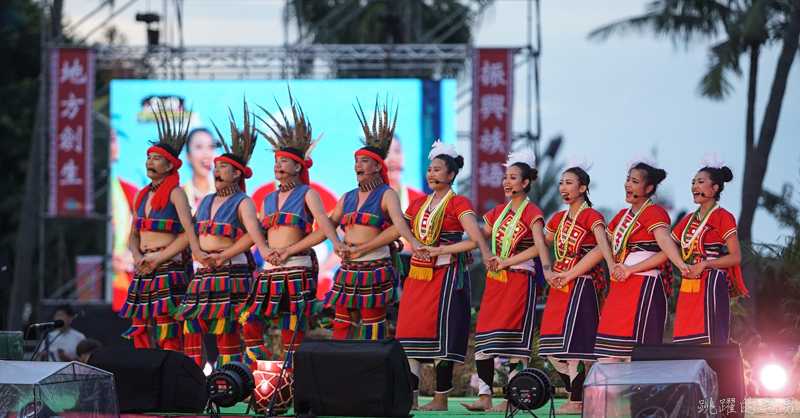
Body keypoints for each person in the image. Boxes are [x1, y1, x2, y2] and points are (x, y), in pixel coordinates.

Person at [277, 98, 425, 340]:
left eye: (364, 161)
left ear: (378, 167)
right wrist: (290, 250)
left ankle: (373, 370)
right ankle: (342, 369)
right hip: (349, 266)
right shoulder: (347, 197)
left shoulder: (387, 194)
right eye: (356, 161)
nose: (358, 165)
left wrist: (412, 242)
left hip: (374, 264)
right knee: (341, 320)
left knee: (372, 321)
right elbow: (325, 228)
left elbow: (400, 225)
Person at [239, 93, 344, 368]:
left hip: (296, 266)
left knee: (291, 332)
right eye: (276, 161)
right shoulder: (267, 198)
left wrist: (336, 246)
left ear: (298, 166)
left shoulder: (308, 193)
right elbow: (257, 234)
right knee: (249, 324)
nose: (278, 165)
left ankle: (290, 382)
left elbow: (325, 226)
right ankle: (264, 373)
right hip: (270, 270)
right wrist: (264, 251)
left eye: (284, 161)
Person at [389, 141, 493, 410]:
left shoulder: (459, 202)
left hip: (447, 275)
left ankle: (440, 398)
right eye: (429, 169)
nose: (431, 174)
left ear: (451, 175)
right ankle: (410, 397)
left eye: (438, 170)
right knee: (409, 337)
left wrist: (480, 252)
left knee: (442, 338)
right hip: (417, 276)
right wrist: (364, 246)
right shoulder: (418, 203)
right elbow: (399, 229)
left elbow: (475, 237)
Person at [564, 153, 690, 361]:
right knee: (606, 351)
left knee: (637, 353)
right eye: (627, 180)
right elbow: (600, 250)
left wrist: (680, 264)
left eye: (635, 181)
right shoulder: (621, 217)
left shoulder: (656, 213)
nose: (628, 185)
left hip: (644, 285)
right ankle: (607, 394)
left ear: (648, 189)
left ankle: (639, 393)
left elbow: (666, 246)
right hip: (620, 284)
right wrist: (570, 274)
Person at [177, 102, 271, 368]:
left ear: (237, 173)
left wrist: (224, 255)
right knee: (191, 324)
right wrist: (194, 251)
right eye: (216, 166)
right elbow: (191, 232)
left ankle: (234, 380)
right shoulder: (206, 199)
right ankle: (192, 379)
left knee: (225, 330)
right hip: (205, 271)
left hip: (230, 271)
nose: (216, 170)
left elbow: (254, 235)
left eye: (222, 167)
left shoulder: (244, 201)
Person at [462, 148, 554, 412]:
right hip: (496, 280)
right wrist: (482, 250)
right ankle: (484, 396)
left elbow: (539, 247)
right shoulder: (498, 212)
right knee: (485, 340)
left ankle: (512, 398)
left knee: (515, 343)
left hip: (520, 280)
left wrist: (507, 262)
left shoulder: (532, 211)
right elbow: (479, 237)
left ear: (525, 183)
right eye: (505, 176)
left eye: (513, 177)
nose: (506, 181)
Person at [119, 103, 201, 351]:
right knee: (139, 325)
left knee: (167, 327)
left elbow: (189, 233)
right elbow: (133, 234)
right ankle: (145, 369)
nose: (149, 162)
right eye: (148, 158)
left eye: (156, 159)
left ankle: (170, 373)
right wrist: (137, 256)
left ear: (170, 166)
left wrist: (157, 259)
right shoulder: (140, 195)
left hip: (167, 264)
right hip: (145, 265)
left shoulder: (176, 193)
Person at [538, 157, 614, 415]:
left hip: (581, 284)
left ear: (583, 188)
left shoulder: (592, 215)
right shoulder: (558, 218)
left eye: (569, 183)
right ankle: (580, 394)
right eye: (561, 183)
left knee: (574, 348)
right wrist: (547, 269)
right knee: (550, 347)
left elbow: (600, 248)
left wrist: (569, 274)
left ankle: (576, 400)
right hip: (559, 285)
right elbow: (541, 244)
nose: (562, 187)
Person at [672, 154, 746, 344]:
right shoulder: (687, 220)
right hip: (689, 283)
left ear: (714, 188)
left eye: (700, 182)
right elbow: (668, 248)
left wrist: (704, 264)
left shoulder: (723, 217)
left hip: (712, 282)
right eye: (693, 182)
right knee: (685, 342)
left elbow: (735, 257)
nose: (694, 186)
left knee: (709, 341)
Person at [183, 128, 218, 212]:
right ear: (188, 156)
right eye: (199, 147)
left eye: (210, 147)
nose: (206, 153)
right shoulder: (178, 196)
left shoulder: (226, 196)